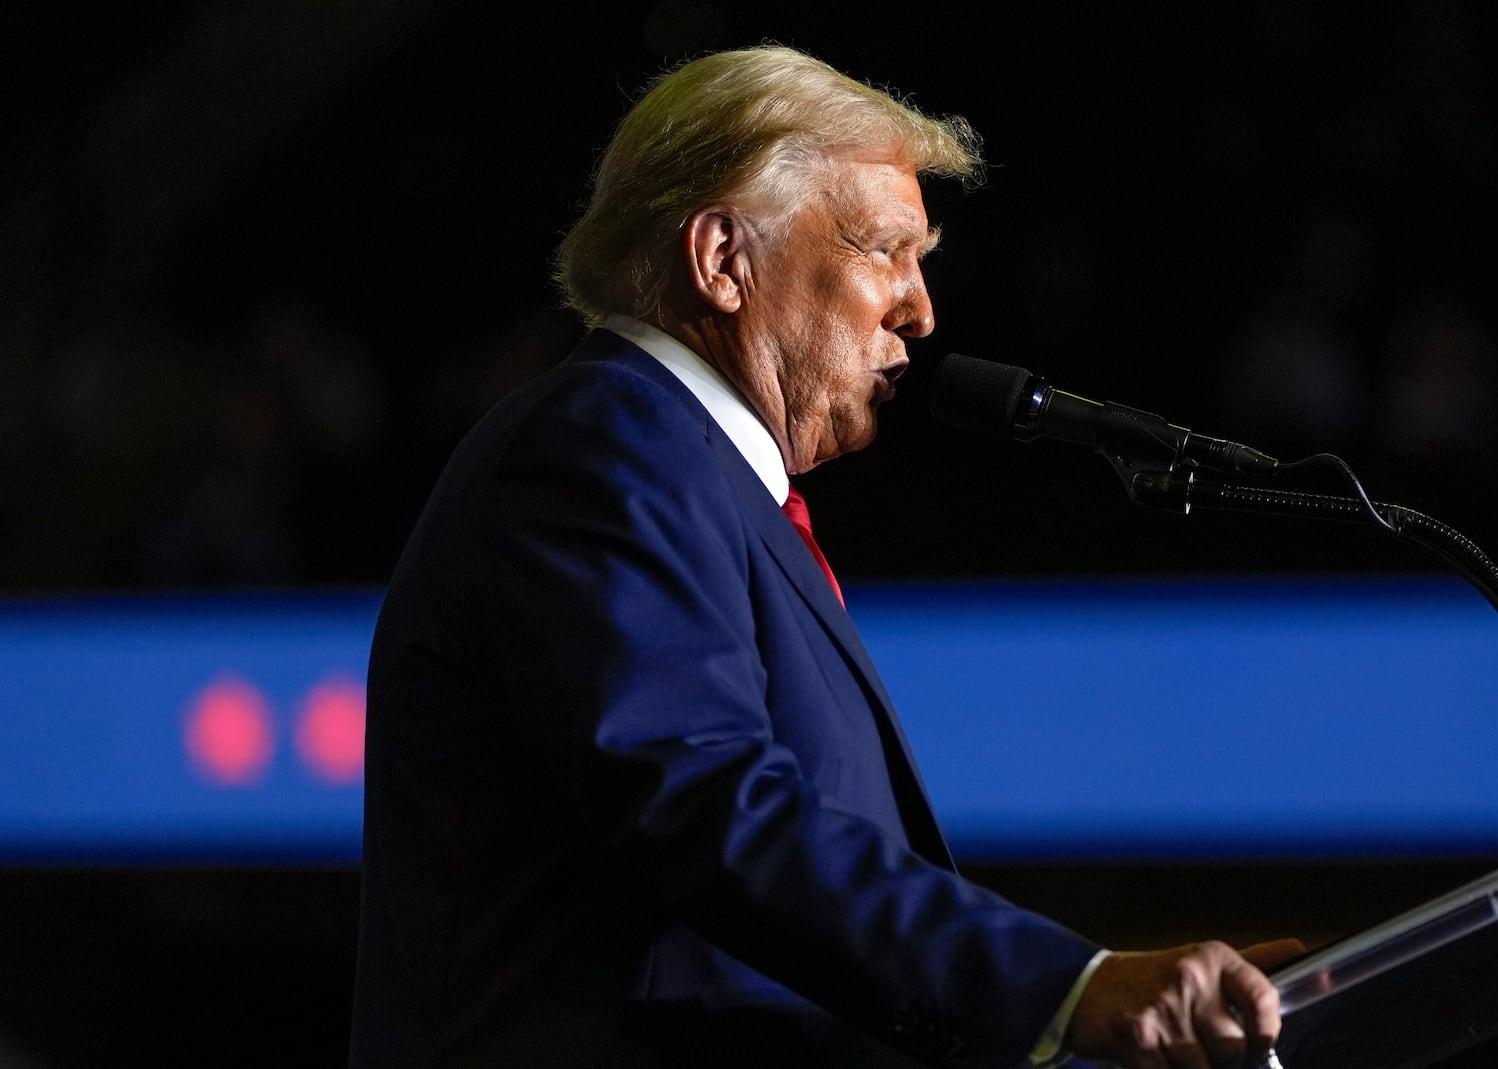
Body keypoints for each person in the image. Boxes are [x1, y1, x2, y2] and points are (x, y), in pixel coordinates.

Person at [349, 44, 1303, 1068]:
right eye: (885, 250)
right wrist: (1066, 987)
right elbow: (704, 802)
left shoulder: (703, 479)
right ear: (722, 259)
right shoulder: (604, 441)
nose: (922, 309)